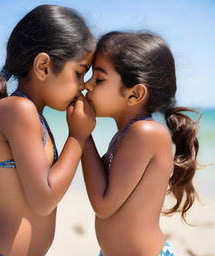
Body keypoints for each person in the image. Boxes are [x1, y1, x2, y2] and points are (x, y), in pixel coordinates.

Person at [0, 5, 95, 256]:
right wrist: (77, 136)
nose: (83, 86)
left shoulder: (32, 115)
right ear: (43, 66)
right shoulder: (18, 110)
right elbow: (43, 200)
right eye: (79, 73)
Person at [82, 31, 199, 256]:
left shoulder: (144, 133)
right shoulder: (127, 133)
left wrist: (82, 136)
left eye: (98, 79)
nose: (87, 85)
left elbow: (104, 205)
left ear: (135, 94)